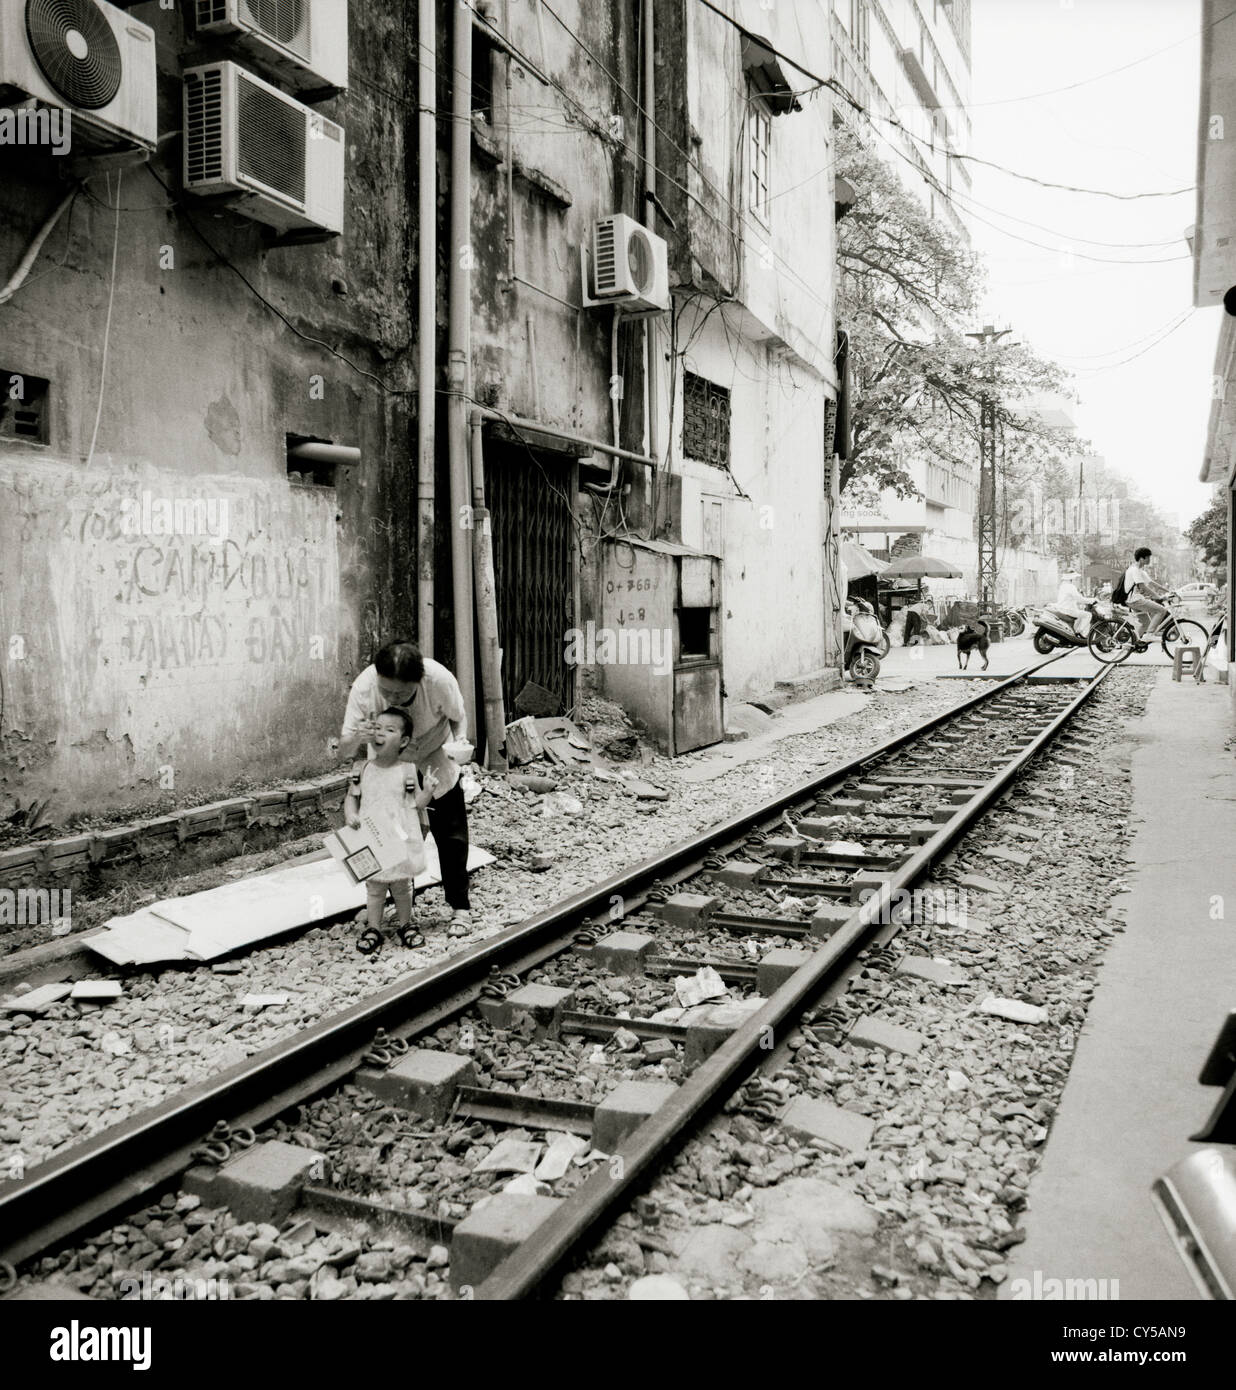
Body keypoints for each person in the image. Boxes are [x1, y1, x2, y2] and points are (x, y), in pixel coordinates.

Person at [340, 639, 475, 933]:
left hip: (434, 754)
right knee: (390, 836)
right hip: (388, 763)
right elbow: (345, 747)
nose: (393, 697)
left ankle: (460, 906)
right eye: (386, 691)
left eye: (402, 693)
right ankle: (399, 907)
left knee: (450, 834)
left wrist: (460, 742)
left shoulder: (438, 679)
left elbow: (457, 717)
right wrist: (357, 739)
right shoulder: (365, 689)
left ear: (419, 680)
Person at [345, 708, 439, 954]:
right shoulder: (361, 768)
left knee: (401, 884)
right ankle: (373, 927)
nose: (381, 733)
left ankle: (406, 923)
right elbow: (351, 798)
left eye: (390, 729)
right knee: (374, 885)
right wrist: (351, 815)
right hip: (373, 836)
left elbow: (416, 804)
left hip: (399, 838)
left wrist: (427, 790)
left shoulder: (408, 770)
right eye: (377, 728)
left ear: (404, 741)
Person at [1120, 547, 1170, 637]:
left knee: (1146, 624)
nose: (1149, 560)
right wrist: (1157, 597)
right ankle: (1149, 635)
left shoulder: (1140, 571)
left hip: (1134, 600)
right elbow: (1142, 586)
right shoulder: (1134, 570)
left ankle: (1132, 645)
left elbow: (1152, 583)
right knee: (1162, 610)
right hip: (1134, 600)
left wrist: (1170, 591)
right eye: (1148, 558)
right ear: (1141, 559)